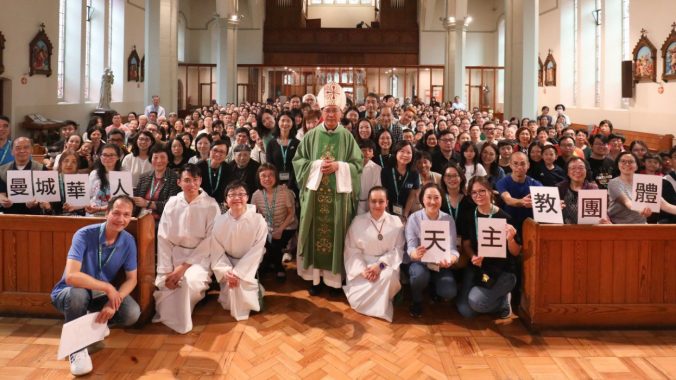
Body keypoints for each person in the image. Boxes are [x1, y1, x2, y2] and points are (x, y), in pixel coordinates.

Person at [50, 195, 140, 376]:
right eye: (116, 213)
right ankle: (76, 348)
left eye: (126, 215)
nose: (120, 219)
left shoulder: (128, 240)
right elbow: (71, 277)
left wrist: (114, 301)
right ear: (106, 213)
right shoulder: (84, 234)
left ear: (130, 218)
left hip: (99, 296)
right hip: (68, 292)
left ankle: (90, 323)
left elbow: (132, 279)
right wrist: (108, 288)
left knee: (132, 313)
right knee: (78, 295)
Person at [292, 83, 363, 296]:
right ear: (321, 112)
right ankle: (315, 280)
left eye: (335, 110)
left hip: (337, 199)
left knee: (337, 236)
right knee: (314, 232)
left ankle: (333, 282)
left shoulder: (347, 137)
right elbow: (298, 161)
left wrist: (339, 167)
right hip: (315, 197)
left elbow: (357, 165)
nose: (331, 114)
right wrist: (315, 166)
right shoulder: (311, 136)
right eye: (327, 110)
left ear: (341, 113)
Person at [152, 164, 220, 334]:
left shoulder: (210, 205)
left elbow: (210, 241)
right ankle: (173, 314)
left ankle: (183, 319)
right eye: (187, 180)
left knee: (186, 282)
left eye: (195, 180)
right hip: (174, 255)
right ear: (179, 182)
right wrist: (167, 270)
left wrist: (182, 268)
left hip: (199, 259)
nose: (192, 185)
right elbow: (164, 237)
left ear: (201, 181)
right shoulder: (172, 203)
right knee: (165, 284)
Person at [456, 176, 520, 319]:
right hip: (478, 268)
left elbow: (515, 252)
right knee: (465, 310)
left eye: (482, 191)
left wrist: (510, 239)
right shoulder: (469, 216)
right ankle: (495, 299)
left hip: (501, 271)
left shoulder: (505, 217)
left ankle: (503, 301)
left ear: (491, 191)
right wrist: (473, 256)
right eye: (474, 192)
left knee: (476, 302)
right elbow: (466, 244)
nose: (478, 195)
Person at [343, 187, 405, 322]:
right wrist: (362, 270)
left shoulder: (396, 222)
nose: (377, 205)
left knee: (388, 276)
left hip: (386, 264)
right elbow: (351, 250)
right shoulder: (357, 221)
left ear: (387, 202)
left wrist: (379, 266)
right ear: (368, 203)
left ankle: (383, 304)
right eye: (373, 201)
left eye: (381, 201)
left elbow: (398, 250)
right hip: (363, 264)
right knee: (357, 299)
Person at [210, 181, 268, 321]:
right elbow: (217, 251)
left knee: (240, 285)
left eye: (241, 194)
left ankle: (254, 291)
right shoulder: (219, 221)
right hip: (228, 262)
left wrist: (238, 273)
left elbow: (257, 249)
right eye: (232, 195)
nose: (237, 198)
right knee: (231, 292)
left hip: (249, 262)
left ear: (247, 197)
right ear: (226, 200)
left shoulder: (258, 220)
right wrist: (227, 271)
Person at [405, 183, 460, 317]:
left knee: (449, 292)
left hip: (440, 265)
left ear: (442, 199)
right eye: (428, 197)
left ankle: (434, 289)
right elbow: (410, 247)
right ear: (422, 199)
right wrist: (415, 253)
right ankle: (417, 300)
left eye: (436, 197)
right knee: (419, 276)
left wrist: (451, 260)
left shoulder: (448, 219)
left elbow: (453, 249)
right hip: (420, 263)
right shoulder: (414, 218)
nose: (432, 202)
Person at [251, 164, 298, 282]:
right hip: (268, 226)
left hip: (287, 225)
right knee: (264, 243)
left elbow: (291, 214)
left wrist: (280, 229)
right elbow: (255, 215)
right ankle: (270, 263)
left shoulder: (285, 191)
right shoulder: (256, 195)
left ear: (276, 177)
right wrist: (265, 228)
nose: (267, 179)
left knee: (276, 244)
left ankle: (278, 267)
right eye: (263, 176)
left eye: (271, 175)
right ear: (259, 178)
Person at [496, 151, 543, 237]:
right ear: (510, 165)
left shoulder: (536, 184)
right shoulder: (502, 182)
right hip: (508, 224)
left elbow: (544, 203)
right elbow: (508, 200)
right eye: (515, 164)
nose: (519, 167)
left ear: (528, 165)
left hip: (530, 225)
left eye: (522, 164)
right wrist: (522, 202)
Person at [556, 157, 610, 224]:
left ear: (586, 171)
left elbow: (602, 213)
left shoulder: (593, 188)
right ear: (567, 172)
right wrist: (556, 208)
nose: (577, 171)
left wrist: (606, 221)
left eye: (581, 168)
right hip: (563, 230)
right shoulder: (560, 188)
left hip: (587, 229)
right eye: (573, 168)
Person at [132, 146, 180, 220]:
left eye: (163, 157)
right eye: (155, 157)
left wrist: (147, 204)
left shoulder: (175, 178)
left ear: (168, 160)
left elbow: (171, 204)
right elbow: (136, 197)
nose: (159, 161)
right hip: (140, 217)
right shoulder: (144, 176)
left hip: (162, 220)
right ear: (151, 160)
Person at [0, 137, 45, 214]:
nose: (22, 151)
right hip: (8, 213)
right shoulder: (2, 170)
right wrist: (2, 200)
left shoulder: (41, 168)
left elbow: (46, 194)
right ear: (12, 152)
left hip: (34, 215)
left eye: (26, 147)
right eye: (18, 148)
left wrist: (36, 201)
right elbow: (1, 192)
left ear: (31, 150)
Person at [608, 152, 653, 224]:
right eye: (623, 161)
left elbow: (663, 204)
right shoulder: (613, 183)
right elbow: (627, 202)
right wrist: (641, 210)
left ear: (637, 166)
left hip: (642, 225)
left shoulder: (645, 182)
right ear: (618, 164)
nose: (627, 164)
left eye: (631, 161)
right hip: (619, 226)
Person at [381, 140, 419, 219]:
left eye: (409, 152)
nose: (405, 155)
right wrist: (387, 213)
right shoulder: (386, 171)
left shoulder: (414, 173)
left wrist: (405, 214)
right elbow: (384, 193)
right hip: (387, 210)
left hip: (407, 211)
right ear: (396, 153)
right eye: (402, 151)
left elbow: (412, 195)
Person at [40, 151, 86, 216]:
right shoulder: (51, 181)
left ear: (77, 165)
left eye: (74, 162)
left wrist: (77, 207)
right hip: (54, 219)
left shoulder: (82, 181)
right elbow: (45, 209)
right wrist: (48, 208)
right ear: (61, 163)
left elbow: (84, 208)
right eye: (66, 161)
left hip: (77, 219)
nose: (69, 164)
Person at [266, 111, 300, 193]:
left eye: (288, 121)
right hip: (275, 184)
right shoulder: (271, 143)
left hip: (293, 184)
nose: (285, 123)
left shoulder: (297, 143)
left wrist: (289, 184)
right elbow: (269, 165)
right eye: (283, 120)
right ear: (278, 122)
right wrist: (276, 182)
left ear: (292, 123)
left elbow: (297, 165)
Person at [86, 144, 122, 216]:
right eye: (104, 155)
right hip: (92, 214)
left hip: (113, 214)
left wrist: (100, 209)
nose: (108, 158)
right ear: (100, 156)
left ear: (118, 157)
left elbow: (123, 201)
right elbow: (88, 196)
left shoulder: (123, 174)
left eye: (111, 155)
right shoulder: (94, 173)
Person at [198, 140, 230, 205]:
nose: (218, 154)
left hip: (220, 204)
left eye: (222, 152)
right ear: (210, 151)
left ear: (226, 155)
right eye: (215, 150)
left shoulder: (228, 169)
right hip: (200, 203)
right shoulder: (199, 167)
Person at [357, 139, 382, 214]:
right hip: (354, 202)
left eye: (370, 151)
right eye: (363, 150)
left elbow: (377, 187)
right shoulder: (353, 166)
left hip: (369, 202)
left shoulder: (377, 168)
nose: (367, 153)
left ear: (373, 154)